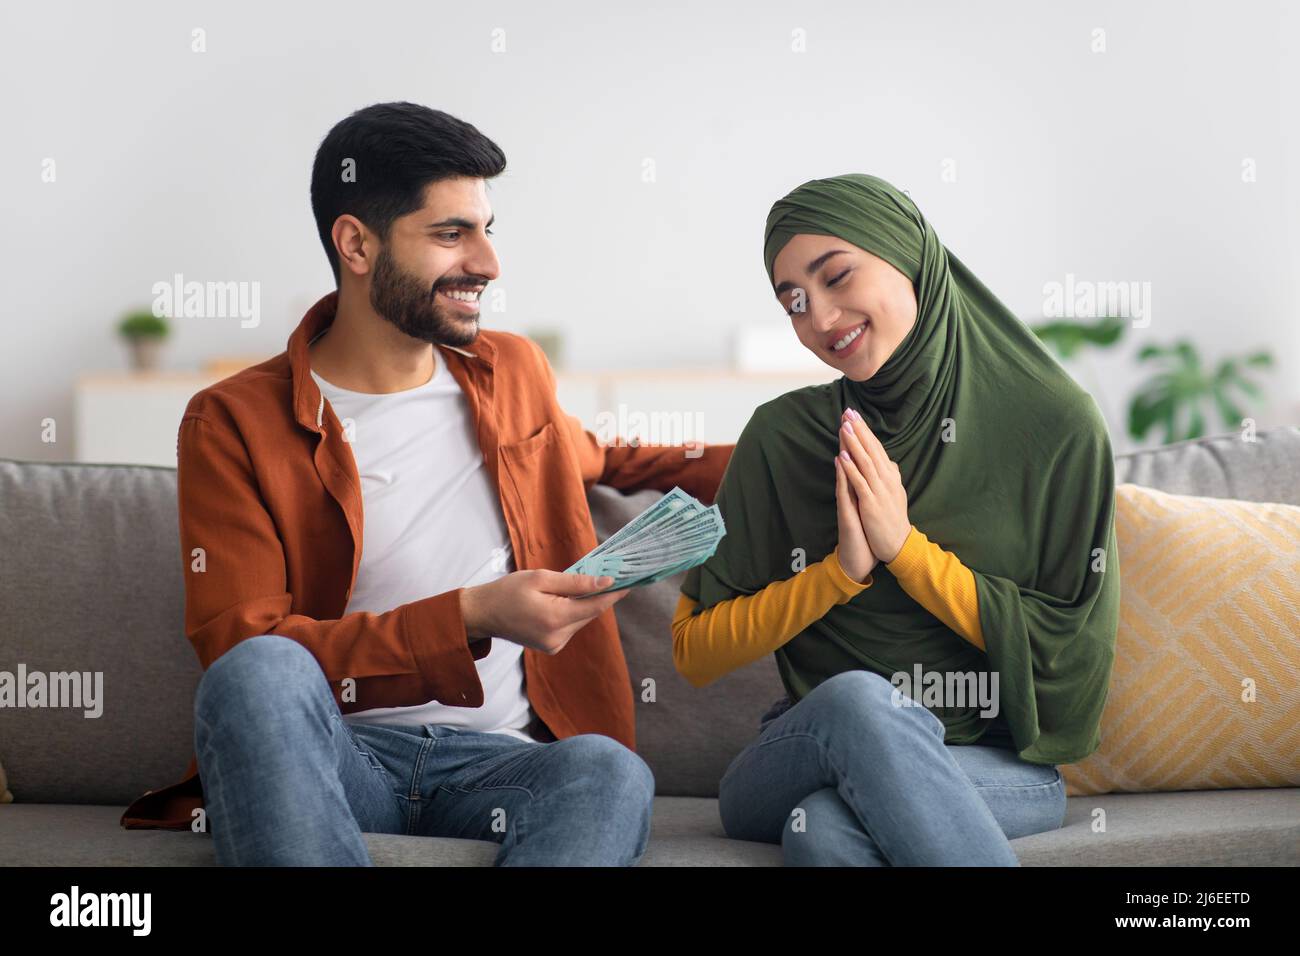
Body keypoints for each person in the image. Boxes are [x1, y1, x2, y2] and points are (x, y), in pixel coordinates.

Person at [119, 102, 734, 865]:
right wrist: (470, 614)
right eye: (451, 234)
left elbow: (615, 459)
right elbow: (242, 646)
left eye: (486, 230)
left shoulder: (513, 374)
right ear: (356, 244)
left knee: (607, 770)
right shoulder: (232, 420)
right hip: (341, 759)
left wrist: (808, 447)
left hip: (509, 768)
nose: (488, 263)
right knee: (256, 673)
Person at [672, 173, 1120, 866]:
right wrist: (839, 574)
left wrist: (906, 552)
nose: (819, 319)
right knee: (857, 701)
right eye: (793, 300)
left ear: (909, 255)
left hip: (994, 766)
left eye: (836, 277)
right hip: (806, 748)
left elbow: (1072, 650)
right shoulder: (784, 438)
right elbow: (695, 651)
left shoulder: (1055, 426)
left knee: (823, 827)